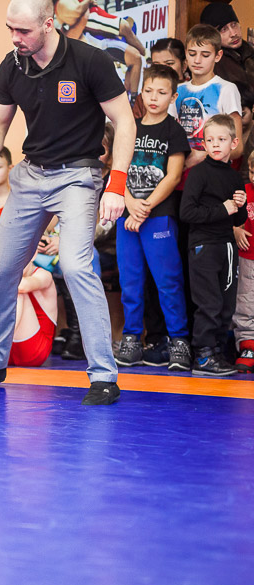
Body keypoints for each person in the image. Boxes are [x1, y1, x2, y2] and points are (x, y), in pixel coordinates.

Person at [0, 0, 134, 406]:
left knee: (75, 265)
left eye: (23, 31)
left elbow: (125, 121)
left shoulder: (90, 61)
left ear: (49, 24)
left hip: (78, 176)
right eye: (10, 29)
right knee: (2, 269)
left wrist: (117, 184)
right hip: (32, 175)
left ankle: (104, 376)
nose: (15, 38)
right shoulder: (12, 64)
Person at [113, 65, 191, 371]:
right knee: (130, 281)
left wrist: (144, 208)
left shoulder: (173, 130)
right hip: (127, 216)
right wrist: (130, 204)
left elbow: (173, 176)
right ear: (141, 93)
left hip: (158, 216)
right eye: (149, 91)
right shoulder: (129, 128)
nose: (154, 98)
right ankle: (132, 339)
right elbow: (117, 171)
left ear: (173, 97)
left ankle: (179, 341)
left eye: (161, 92)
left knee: (168, 281)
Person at [180, 114, 247, 376]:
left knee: (226, 303)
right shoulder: (198, 173)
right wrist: (223, 209)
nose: (215, 144)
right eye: (210, 140)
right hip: (203, 246)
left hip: (227, 246)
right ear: (203, 144)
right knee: (208, 302)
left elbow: (237, 219)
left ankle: (217, 350)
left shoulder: (234, 177)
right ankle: (204, 355)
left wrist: (240, 205)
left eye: (221, 139)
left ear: (234, 143)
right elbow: (187, 212)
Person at [176, 24, 244, 169]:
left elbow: (237, 148)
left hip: (212, 173)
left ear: (218, 56)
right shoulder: (177, 90)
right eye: (192, 54)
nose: (197, 60)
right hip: (179, 173)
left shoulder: (226, 89)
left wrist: (202, 156)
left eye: (205, 55)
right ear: (185, 54)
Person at [201, 2, 254, 93]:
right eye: (224, 29)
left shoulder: (250, 52)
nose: (233, 33)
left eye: (234, 25)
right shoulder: (215, 64)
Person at [233, 152, 254, 372]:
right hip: (247, 256)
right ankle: (248, 347)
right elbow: (228, 216)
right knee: (245, 302)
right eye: (252, 172)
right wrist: (235, 230)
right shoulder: (244, 192)